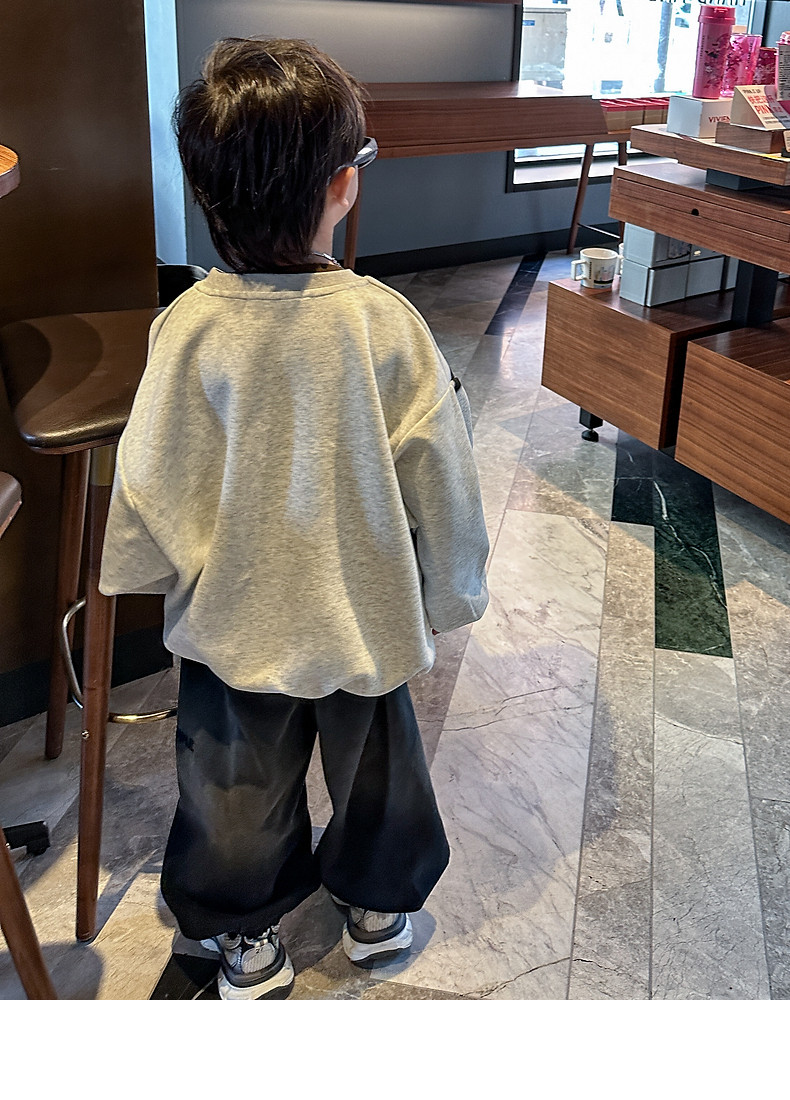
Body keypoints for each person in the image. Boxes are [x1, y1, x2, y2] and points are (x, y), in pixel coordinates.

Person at [99, 36, 489, 1001]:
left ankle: (244, 932)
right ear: (343, 186)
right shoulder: (383, 321)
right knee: (380, 772)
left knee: (231, 789)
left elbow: (149, 475)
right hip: (366, 610)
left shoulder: (187, 326)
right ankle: (377, 907)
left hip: (234, 620)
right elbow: (441, 470)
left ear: (206, 195)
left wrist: (145, 573)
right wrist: (451, 589)